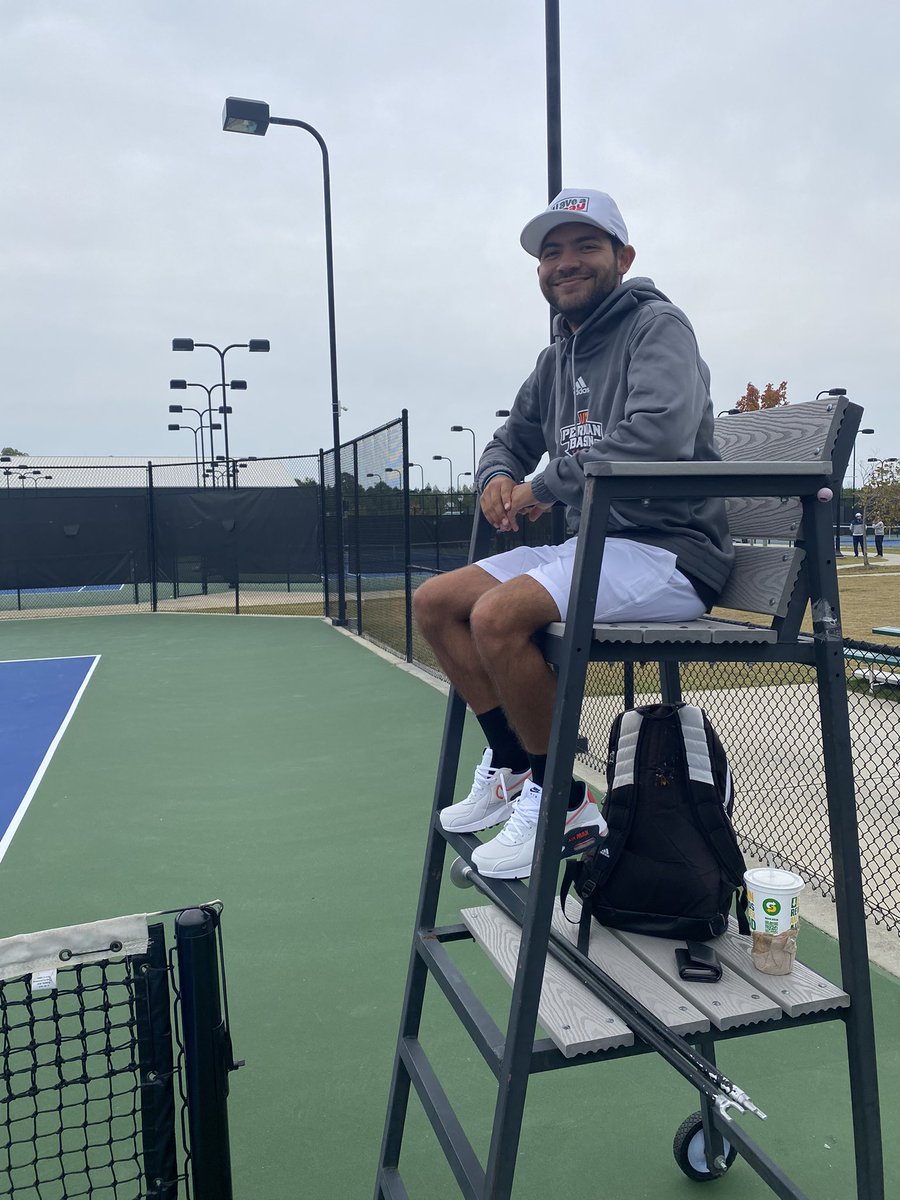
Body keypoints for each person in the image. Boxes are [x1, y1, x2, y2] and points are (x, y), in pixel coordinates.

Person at [413, 188, 734, 880]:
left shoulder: (659, 326)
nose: (566, 262)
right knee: (437, 602)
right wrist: (497, 480)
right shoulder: (555, 357)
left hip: (670, 551)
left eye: (585, 246)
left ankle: (560, 801)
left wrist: (543, 485)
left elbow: (657, 434)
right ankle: (511, 766)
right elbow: (509, 441)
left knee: (497, 617)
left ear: (623, 256)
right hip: (595, 548)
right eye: (551, 252)